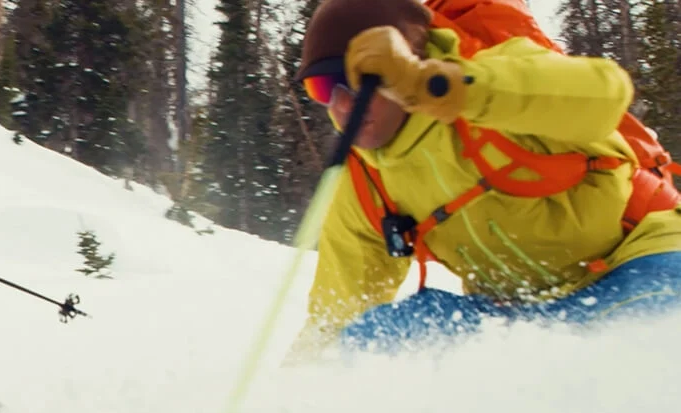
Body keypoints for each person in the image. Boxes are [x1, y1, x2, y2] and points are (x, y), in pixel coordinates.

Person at [284, 0, 681, 362]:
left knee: (645, 339)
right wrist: (285, 403)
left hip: (636, 262)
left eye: (357, 81)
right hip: (517, 315)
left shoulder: (492, 75)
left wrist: (439, 86)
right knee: (371, 342)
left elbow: (605, 95)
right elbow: (334, 319)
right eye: (322, 88)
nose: (341, 104)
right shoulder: (365, 181)